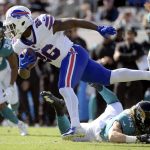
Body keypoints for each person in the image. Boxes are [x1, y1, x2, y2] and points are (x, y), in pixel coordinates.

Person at [4, 5, 150, 138]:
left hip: (73, 53)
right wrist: (24, 67)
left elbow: (73, 22)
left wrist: (98, 28)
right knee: (109, 77)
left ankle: (76, 126)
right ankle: (147, 74)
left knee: (64, 87)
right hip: (69, 61)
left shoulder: (42, 24)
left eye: (11, 25)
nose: (10, 29)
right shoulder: (20, 45)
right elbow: (25, 75)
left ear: (22, 21)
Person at [41, 84, 150, 143]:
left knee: (116, 104)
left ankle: (99, 86)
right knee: (68, 134)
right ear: (140, 117)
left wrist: (100, 87)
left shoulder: (134, 117)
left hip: (111, 117)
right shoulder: (126, 119)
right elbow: (113, 136)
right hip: (99, 129)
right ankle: (59, 108)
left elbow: (113, 101)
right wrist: (138, 139)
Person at [0, 21, 27, 136]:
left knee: (14, 101)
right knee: (1, 104)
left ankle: (12, 116)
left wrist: (11, 85)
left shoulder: (5, 45)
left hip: (5, 72)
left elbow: (14, 66)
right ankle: (20, 124)